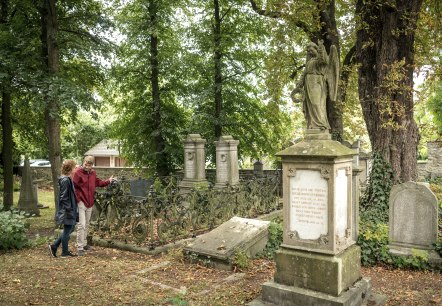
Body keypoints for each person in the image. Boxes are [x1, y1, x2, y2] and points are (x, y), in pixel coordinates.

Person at [291, 40, 339, 131]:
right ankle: (312, 124)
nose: (309, 52)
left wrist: (321, 47)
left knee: (316, 103)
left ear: (315, 49)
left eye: (311, 50)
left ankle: (320, 124)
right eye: (308, 51)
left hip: (317, 83)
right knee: (310, 106)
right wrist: (300, 83)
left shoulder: (320, 60)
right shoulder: (310, 61)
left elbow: (323, 60)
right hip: (308, 84)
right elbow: (304, 72)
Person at [73, 155, 114, 256]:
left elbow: (98, 182)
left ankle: (84, 243)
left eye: (90, 164)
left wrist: (108, 181)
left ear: (92, 165)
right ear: (84, 162)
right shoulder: (78, 172)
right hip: (81, 202)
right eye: (86, 162)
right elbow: (73, 187)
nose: (87, 165)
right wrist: (78, 199)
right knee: (81, 225)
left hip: (90, 202)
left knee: (86, 224)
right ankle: (79, 247)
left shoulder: (93, 173)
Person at [48, 160, 78, 258]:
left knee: (70, 228)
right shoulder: (65, 180)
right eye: (75, 167)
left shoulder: (68, 179)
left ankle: (54, 246)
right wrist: (69, 209)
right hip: (67, 210)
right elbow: (64, 197)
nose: (76, 169)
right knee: (67, 230)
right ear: (71, 168)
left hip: (70, 208)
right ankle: (64, 252)